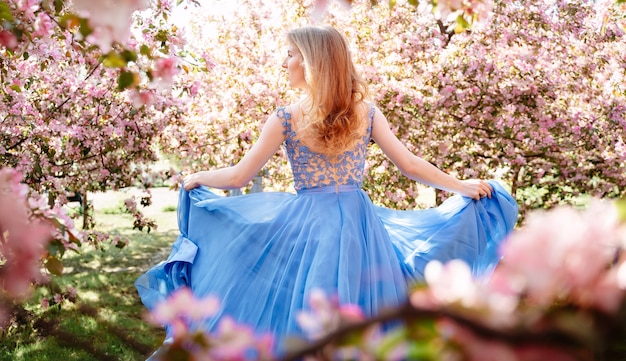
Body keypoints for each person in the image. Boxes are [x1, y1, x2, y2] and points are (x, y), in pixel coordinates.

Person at [135, 25, 518, 357]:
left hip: (314, 227)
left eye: (290, 55)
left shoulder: (285, 118)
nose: (284, 62)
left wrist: (199, 177)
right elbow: (411, 165)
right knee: (364, 311)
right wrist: (460, 185)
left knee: (311, 313)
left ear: (311, 63)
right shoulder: (365, 112)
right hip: (358, 226)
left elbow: (238, 177)